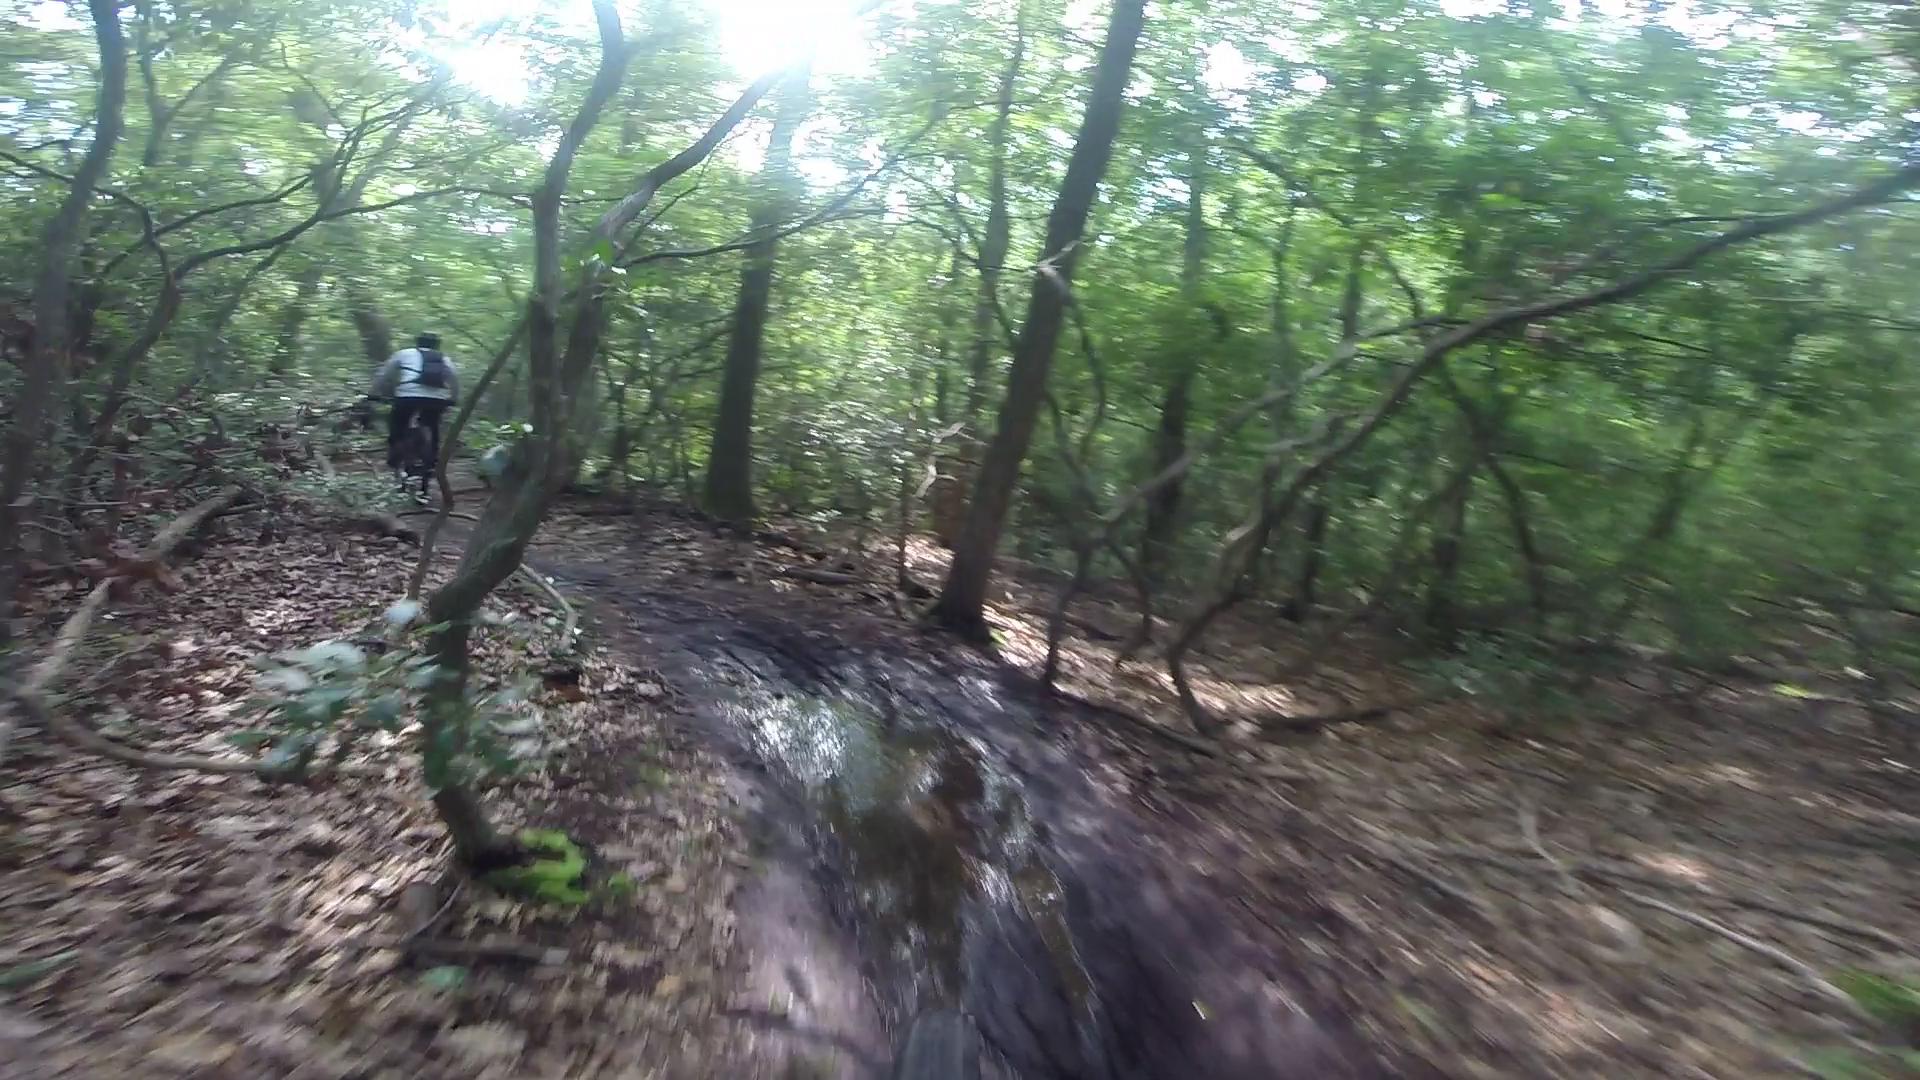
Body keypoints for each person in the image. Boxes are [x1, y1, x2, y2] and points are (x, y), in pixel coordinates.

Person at [372, 332, 459, 485]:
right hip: (437, 399)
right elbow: (454, 378)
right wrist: (453, 398)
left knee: (397, 425)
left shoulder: (404, 353)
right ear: (437, 345)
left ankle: (395, 455)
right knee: (432, 427)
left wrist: (373, 393)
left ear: (417, 342)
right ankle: (432, 458)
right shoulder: (443, 358)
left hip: (407, 396)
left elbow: (383, 374)